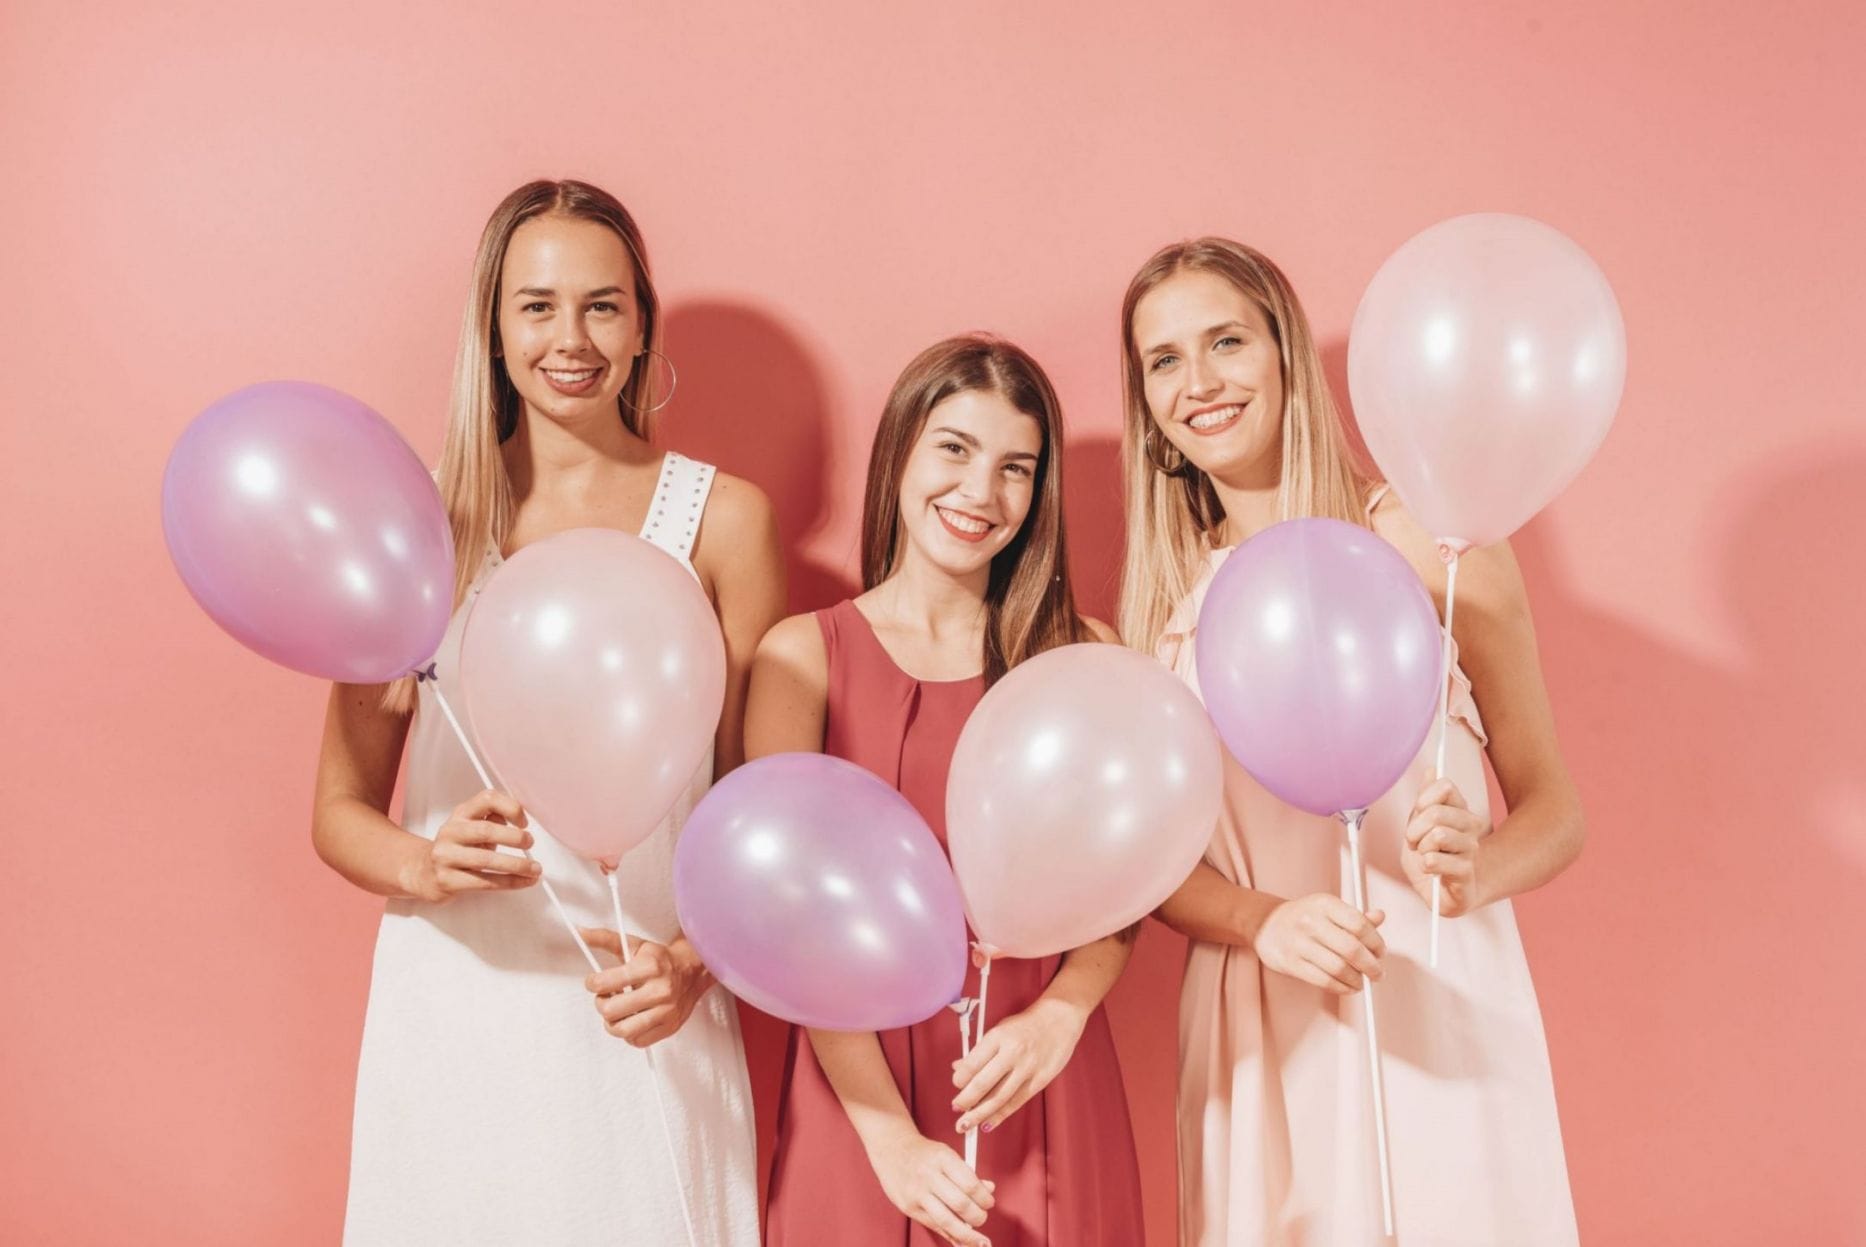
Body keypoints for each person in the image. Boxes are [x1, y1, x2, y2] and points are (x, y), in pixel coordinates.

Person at [311, 179, 783, 1245]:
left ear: (641, 323)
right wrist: (422, 861)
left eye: (602, 305)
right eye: (537, 305)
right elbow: (338, 807)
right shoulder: (418, 522)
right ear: (492, 325)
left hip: (642, 997)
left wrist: (693, 965)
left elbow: (759, 810)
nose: (571, 338)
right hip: (456, 1000)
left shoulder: (722, 521)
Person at [1121, 237, 1581, 1245]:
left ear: (1285, 351)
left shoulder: (1430, 541)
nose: (1198, 381)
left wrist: (1477, 869)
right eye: (1164, 360)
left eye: (1225, 341)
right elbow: (1155, 867)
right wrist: (1260, 920)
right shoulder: (1159, 609)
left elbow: (1555, 809)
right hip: (1258, 1018)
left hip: (1434, 993)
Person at [751, 335, 1145, 1247]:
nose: (981, 492)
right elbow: (787, 919)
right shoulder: (801, 656)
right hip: (856, 1097)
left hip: (1038, 1078)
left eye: (1016, 467)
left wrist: (1063, 1012)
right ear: (901, 451)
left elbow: (1128, 884)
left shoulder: (1086, 653)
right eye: (955, 449)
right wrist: (887, 1136)